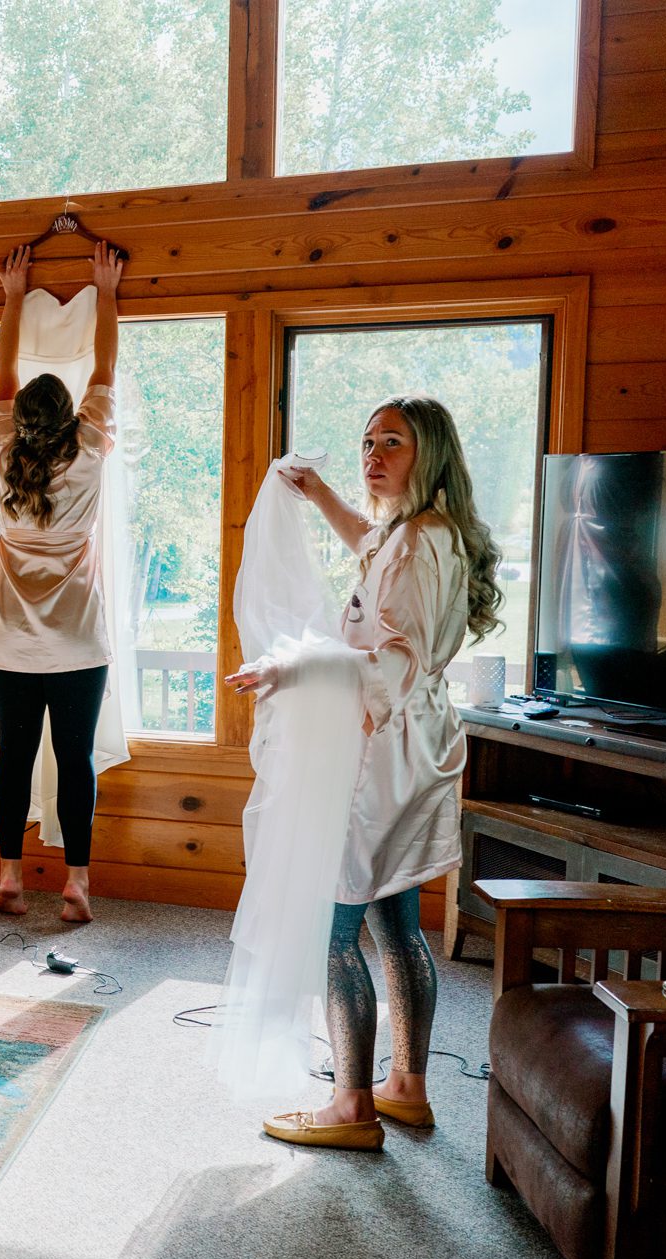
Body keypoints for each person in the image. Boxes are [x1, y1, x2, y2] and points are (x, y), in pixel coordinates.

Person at [225, 397, 503, 1150]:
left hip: (379, 757)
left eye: (393, 443)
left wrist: (294, 663)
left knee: (334, 924)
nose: (373, 454)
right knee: (396, 917)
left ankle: (351, 1105)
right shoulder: (423, 533)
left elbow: (392, 662)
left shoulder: (416, 545)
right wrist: (319, 496)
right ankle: (406, 1085)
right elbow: (371, 544)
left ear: (431, 454)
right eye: (367, 442)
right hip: (419, 751)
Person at [0, 240, 124, 923]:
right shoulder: (91, 447)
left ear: (21, 418)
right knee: (75, 759)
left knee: (15, 755)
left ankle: (9, 876)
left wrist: (13, 295)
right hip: (76, 639)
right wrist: (106, 290)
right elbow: (106, 364)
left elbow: (3, 368)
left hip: (10, 638)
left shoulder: (2, 450)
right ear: (68, 416)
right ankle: (77, 884)